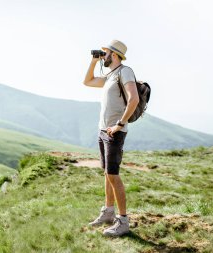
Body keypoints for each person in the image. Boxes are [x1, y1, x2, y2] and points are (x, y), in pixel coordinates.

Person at [83, 40, 139, 236]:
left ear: (114, 55)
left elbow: (134, 99)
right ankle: (108, 212)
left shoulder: (125, 72)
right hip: (103, 131)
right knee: (107, 174)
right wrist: (93, 61)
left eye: (105, 53)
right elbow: (87, 81)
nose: (103, 55)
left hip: (115, 131)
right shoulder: (110, 76)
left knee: (113, 175)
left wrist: (120, 124)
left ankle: (123, 222)